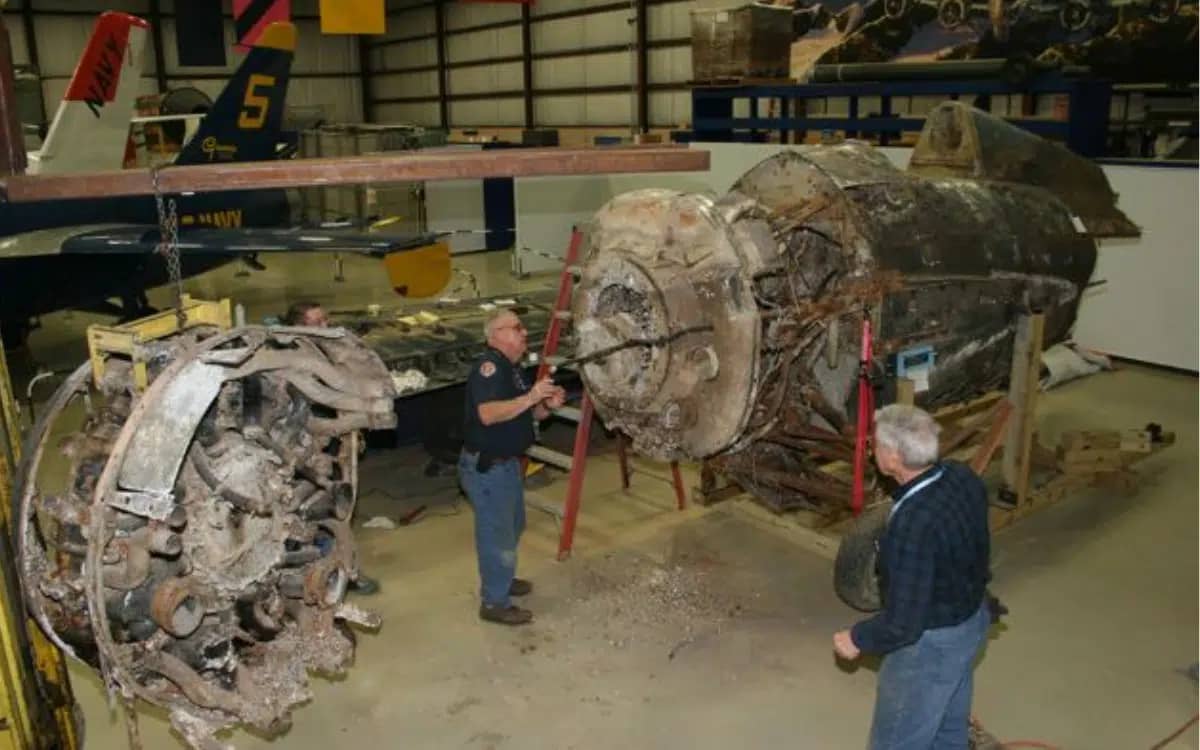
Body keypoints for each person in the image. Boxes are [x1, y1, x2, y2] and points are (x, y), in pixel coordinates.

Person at [833, 404, 992, 750]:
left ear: (892, 458)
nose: (872, 450)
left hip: (931, 648)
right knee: (948, 727)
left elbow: (904, 623)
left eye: (875, 445)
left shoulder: (912, 524)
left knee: (897, 740)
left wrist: (857, 638)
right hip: (971, 619)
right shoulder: (961, 475)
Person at [460, 309, 564, 626]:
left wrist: (545, 405)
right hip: (489, 468)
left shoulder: (514, 370)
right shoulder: (488, 369)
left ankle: (501, 578)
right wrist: (532, 396)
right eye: (516, 328)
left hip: (508, 467)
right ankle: (494, 602)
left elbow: (529, 414)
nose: (523, 333)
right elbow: (489, 414)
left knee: (512, 526)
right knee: (497, 537)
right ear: (495, 336)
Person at [283, 300, 379, 596]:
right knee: (313, 517)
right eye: (317, 323)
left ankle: (346, 568)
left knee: (341, 512)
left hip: (334, 449)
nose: (325, 327)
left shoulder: (327, 352)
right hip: (307, 457)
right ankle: (322, 575)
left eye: (326, 320)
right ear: (299, 327)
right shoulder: (292, 361)